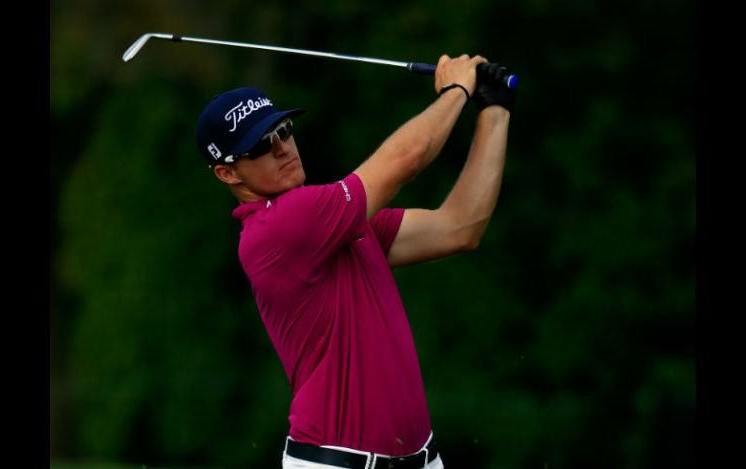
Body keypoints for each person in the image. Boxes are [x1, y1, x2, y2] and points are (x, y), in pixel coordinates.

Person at [194, 53, 516, 469]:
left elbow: (460, 228)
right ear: (228, 174)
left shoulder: (333, 224)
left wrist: (494, 108)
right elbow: (407, 158)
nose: (282, 148)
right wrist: (457, 89)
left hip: (421, 458)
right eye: (260, 145)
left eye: (283, 131)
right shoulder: (279, 226)